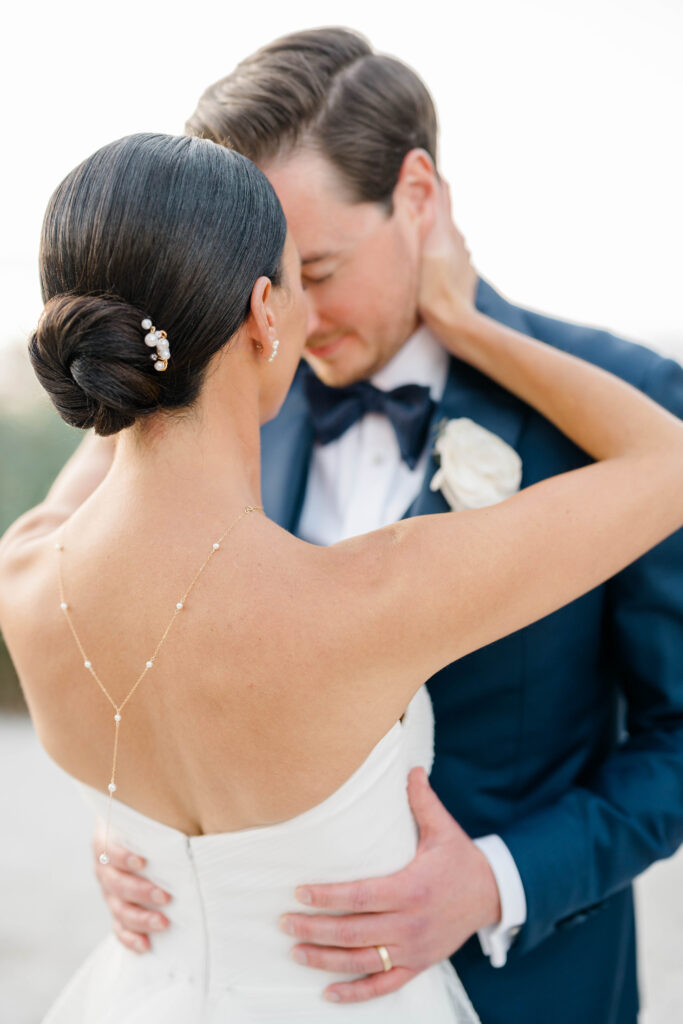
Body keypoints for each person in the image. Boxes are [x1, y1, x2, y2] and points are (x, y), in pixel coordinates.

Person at [93, 29, 683, 1024]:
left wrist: (493, 880)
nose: (283, 324)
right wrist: (142, 834)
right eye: (261, 287)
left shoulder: (625, 409)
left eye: (317, 269)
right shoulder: (218, 409)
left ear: (416, 197)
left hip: (526, 994)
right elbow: (150, 656)